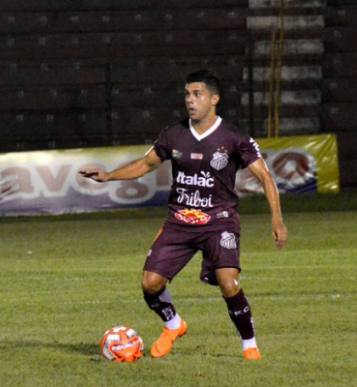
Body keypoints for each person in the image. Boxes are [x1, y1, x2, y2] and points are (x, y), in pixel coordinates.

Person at [80, 70, 288, 360]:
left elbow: (265, 177)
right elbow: (145, 164)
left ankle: (249, 344)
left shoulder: (234, 137)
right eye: (188, 94)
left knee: (228, 281)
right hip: (180, 220)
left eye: (197, 94)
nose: (190, 100)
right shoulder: (174, 134)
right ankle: (174, 325)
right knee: (150, 284)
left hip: (220, 220)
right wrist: (108, 176)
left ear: (214, 99)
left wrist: (276, 219)